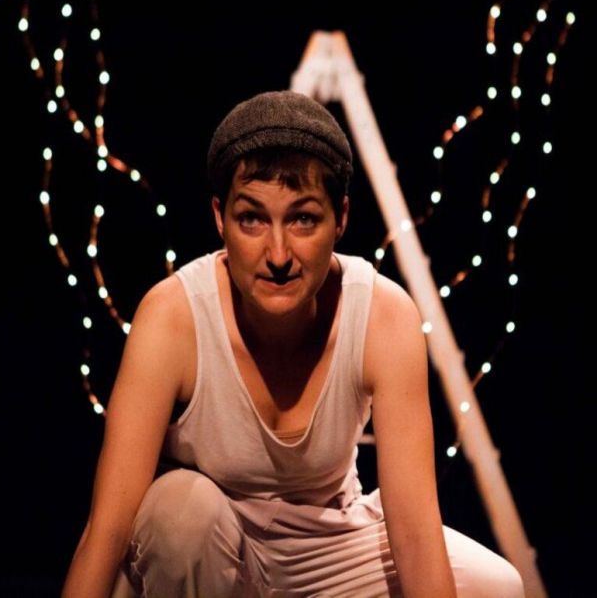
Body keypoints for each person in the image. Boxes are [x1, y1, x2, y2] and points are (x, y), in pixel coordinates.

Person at [62, 90, 524, 598]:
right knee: (180, 513)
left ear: (340, 218)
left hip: (328, 546)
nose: (278, 254)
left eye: (303, 218)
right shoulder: (174, 316)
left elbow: (414, 533)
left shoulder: (383, 316)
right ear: (219, 218)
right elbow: (106, 531)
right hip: (200, 556)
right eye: (252, 219)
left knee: (496, 587)